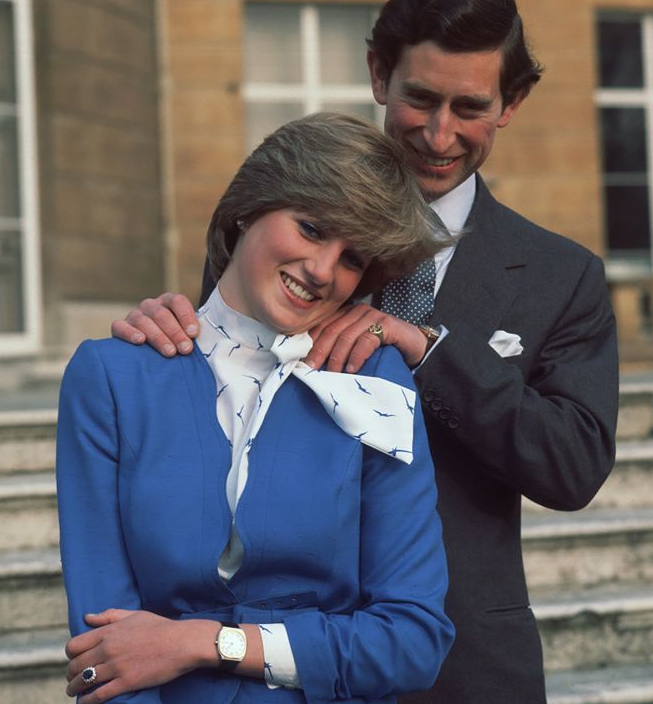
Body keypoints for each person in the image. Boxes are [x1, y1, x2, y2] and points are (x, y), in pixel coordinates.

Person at [114, 0, 619, 703]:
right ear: (379, 73)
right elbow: (216, 404)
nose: (440, 134)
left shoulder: (561, 275)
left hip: (467, 667)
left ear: (513, 102)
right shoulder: (284, 232)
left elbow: (573, 466)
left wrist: (428, 349)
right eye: (420, 98)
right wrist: (165, 338)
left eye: (469, 107)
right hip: (281, 665)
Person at [57, 113, 455, 703]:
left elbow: (413, 641)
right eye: (312, 229)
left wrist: (207, 643)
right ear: (248, 208)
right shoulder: (112, 378)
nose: (323, 272)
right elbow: (103, 647)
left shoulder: (375, 380)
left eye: (352, 258)